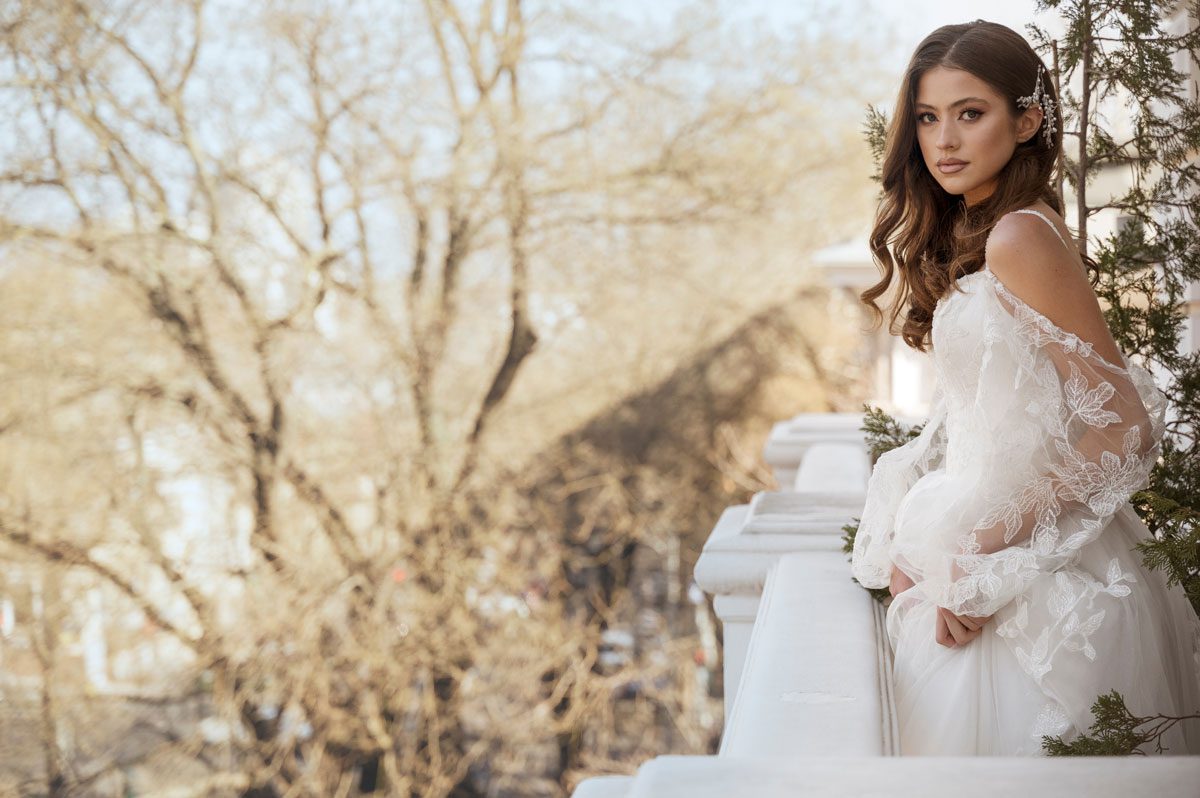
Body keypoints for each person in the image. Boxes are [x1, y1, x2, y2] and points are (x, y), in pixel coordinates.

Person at [849, 19, 1200, 756]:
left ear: (1027, 119)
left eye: (969, 114)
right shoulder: (990, 232)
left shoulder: (1019, 236)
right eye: (927, 117)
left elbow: (1123, 426)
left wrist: (980, 553)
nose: (943, 139)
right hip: (992, 552)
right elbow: (987, 417)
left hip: (1040, 582)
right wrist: (928, 536)